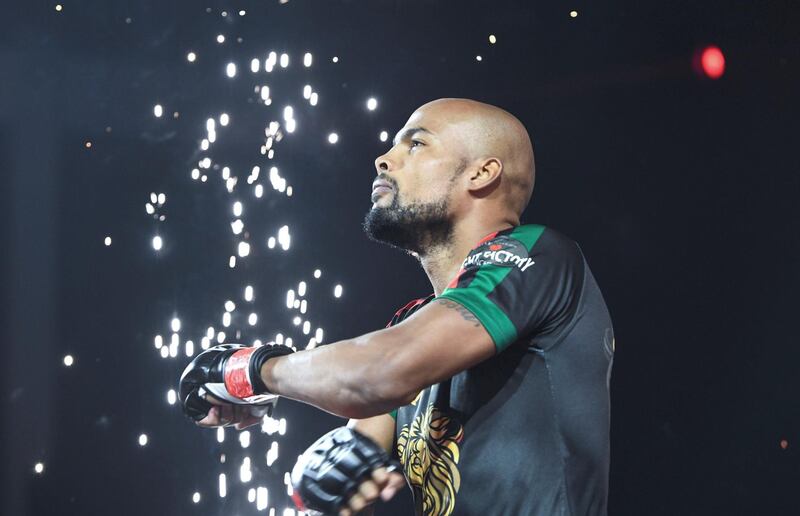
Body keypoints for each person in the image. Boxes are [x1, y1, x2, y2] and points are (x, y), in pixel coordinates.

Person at [180, 98, 615, 516]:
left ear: (481, 173)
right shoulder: (410, 327)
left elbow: (376, 372)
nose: (384, 159)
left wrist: (251, 371)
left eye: (417, 143)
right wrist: (326, 487)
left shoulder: (538, 256)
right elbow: (360, 409)